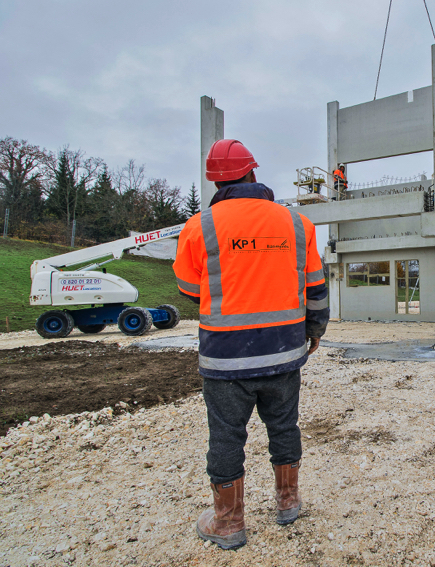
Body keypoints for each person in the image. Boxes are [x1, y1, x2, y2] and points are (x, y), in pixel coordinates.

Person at [173, 139, 329, 550]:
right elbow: (316, 287)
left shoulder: (199, 226)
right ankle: (288, 503)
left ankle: (227, 523)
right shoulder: (297, 224)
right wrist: (315, 330)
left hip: (225, 358)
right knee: (284, 426)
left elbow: (191, 289)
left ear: (215, 181)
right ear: (253, 173)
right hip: (283, 352)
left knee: (226, 437)